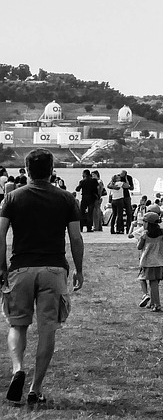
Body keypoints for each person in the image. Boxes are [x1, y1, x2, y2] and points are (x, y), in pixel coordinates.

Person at [0, 149, 84, 407]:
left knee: (17, 324)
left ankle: (17, 370)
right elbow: (75, 238)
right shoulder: (67, 199)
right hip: (54, 269)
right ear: (52, 170)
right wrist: (79, 269)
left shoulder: (11, 198)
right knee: (48, 329)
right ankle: (35, 389)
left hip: (21, 268)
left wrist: (2, 268)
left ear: (26, 170)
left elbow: (0, 236)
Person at [135, 209, 163, 312]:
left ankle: (157, 304)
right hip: (160, 261)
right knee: (154, 282)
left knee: (153, 283)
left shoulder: (145, 235)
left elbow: (139, 247)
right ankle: (152, 303)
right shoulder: (161, 233)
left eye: (144, 222)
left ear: (148, 223)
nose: (143, 224)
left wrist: (140, 240)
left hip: (148, 262)